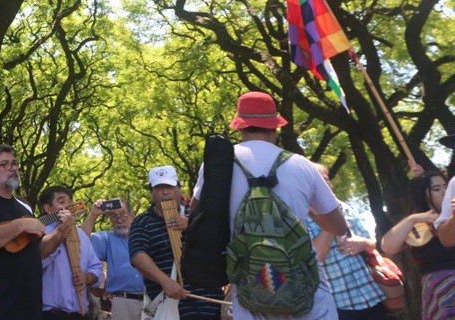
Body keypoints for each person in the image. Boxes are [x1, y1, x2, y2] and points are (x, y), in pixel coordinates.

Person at [198, 91, 349, 320]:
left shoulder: (218, 165)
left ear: (240, 126)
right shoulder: (302, 165)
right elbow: (338, 227)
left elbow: (197, 217)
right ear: (275, 127)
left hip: (249, 288)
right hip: (304, 288)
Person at [0, 144, 58, 320]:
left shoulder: (24, 205)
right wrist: (21, 225)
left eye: (15, 163)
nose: (14, 168)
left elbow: (39, 251)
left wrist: (62, 231)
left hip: (31, 308)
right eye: (6, 164)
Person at [129, 165, 223, 319]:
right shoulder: (142, 222)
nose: (165, 192)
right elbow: (137, 255)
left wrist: (191, 226)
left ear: (179, 188)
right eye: (159, 187)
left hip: (207, 301)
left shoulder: (198, 215)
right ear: (151, 192)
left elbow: (218, 244)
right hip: (167, 302)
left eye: (170, 186)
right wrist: (165, 281)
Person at [305, 164, 386, 320]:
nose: (327, 185)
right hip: (338, 306)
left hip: (372, 295)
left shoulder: (345, 207)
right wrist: (332, 221)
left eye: (327, 180)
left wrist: (363, 243)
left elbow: (372, 244)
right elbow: (315, 259)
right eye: (319, 182)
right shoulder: (302, 217)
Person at [380, 169, 455, 319]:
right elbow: (388, 246)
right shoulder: (419, 226)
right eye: (436, 189)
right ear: (423, 195)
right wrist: (413, 219)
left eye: (446, 186)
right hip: (439, 289)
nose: (444, 192)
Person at [38, 186, 103, 320]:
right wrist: (60, 232)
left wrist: (87, 277)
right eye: (62, 202)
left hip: (80, 313)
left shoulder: (81, 235)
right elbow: (37, 262)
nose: (68, 205)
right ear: (48, 208)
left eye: (70, 201)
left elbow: (96, 268)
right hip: (49, 313)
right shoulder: (40, 233)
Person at [81, 199, 145, 320]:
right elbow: (82, 242)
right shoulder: (107, 238)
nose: (119, 219)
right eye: (114, 216)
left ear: (132, 215)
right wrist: (93, 214)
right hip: (122, 302)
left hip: (153, 299)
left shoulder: (146, 235)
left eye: (123, 214)